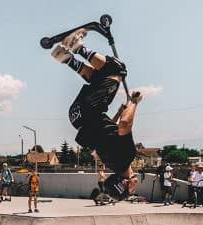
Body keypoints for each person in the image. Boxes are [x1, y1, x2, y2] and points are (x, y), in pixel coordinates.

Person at [52, 28, 142, 200]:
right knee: (98, 77)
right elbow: (107, 133)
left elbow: (124, 125)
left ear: (125, 183)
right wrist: (116, 113)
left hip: (90, 110)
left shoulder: (127, 157)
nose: (134, 189)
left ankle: (77, 47)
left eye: (131, 191)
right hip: (77, 116)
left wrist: (134, 102)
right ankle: (65, 57)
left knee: (116, 70)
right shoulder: (109, 162)